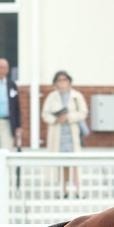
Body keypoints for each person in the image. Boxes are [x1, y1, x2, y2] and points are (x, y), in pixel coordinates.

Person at [41, 70, 88, 198]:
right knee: (62, 163)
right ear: (55, 83)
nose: (62, 83)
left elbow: (83, 112)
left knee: (75, 163)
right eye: (59, 80)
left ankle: (79, 190)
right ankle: (64, 190)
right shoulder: (52, 96)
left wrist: (69, 117)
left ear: (69, 81)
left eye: (64, 80)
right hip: (58, 134)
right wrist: (56, 119)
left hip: (72, 133)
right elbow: (45, 114)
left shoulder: (76, 95)